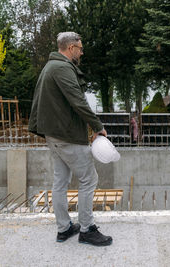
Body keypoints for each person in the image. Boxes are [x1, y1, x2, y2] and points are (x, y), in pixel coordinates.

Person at [28, 32, 112, 247]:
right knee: (88, 179)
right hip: (66, 135)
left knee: (61, 181)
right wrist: (98, 126)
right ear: (71, 47)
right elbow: (78, 101)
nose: (82, 52)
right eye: (80, 48)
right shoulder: (62, 68)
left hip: (54, 134)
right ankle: (87, 229)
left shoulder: (51, 67)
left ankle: (64, 228)